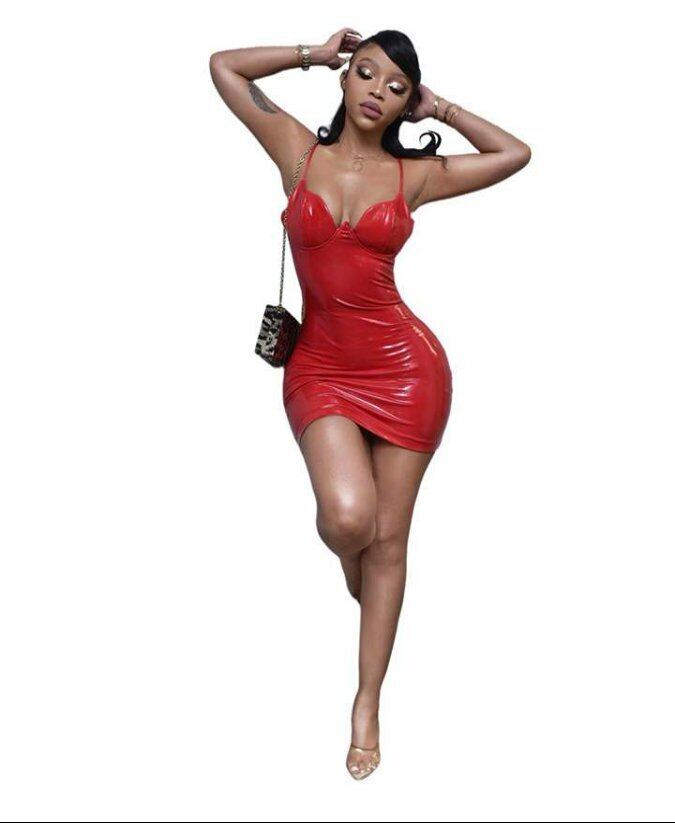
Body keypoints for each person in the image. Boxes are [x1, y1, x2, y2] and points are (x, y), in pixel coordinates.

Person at [209, 27, 531, 780]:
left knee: (390, 542)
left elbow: (514, 154)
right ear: (343, 77)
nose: (376, 91)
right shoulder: (297, 152)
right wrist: (310, 53)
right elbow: (223, 68)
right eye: (364, 73)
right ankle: (370, 586)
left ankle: (366, 701)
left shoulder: (410, 177)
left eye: (394, 86)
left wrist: (439, 107)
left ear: (404, 102)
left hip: (407, 372)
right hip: (319, 366)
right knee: (351, 521)